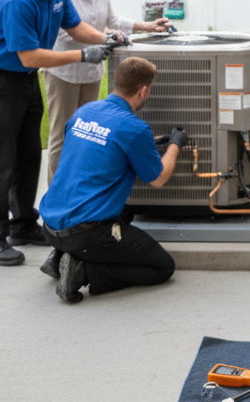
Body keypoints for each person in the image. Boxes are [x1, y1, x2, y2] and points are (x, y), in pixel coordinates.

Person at [0, 0, 117, 267]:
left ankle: (23, 225)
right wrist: (82, 55)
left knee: (28, 157)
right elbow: (29, 56)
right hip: (0, 82)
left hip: (25, 82)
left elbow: (76, 26)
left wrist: (107, 39)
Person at [38, 56, 186, 303]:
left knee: (126, 212)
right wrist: (175, 145)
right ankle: (83, 271)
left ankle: (59, 256)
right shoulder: (134, 128)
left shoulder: (84, 112)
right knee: (162, 267)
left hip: (50, 225)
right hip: (85, 235)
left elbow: (104, 145)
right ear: (143, 91)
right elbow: (158, 178)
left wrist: (148, 144)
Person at [43, 0, 171, 185]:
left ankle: (80, 187)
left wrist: (147, 26)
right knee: (62, 136)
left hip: (92, 73)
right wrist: (104, 37)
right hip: (64, 74)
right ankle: (56, 193)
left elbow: (112, 20)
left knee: (87, 134)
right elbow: (63, 33)